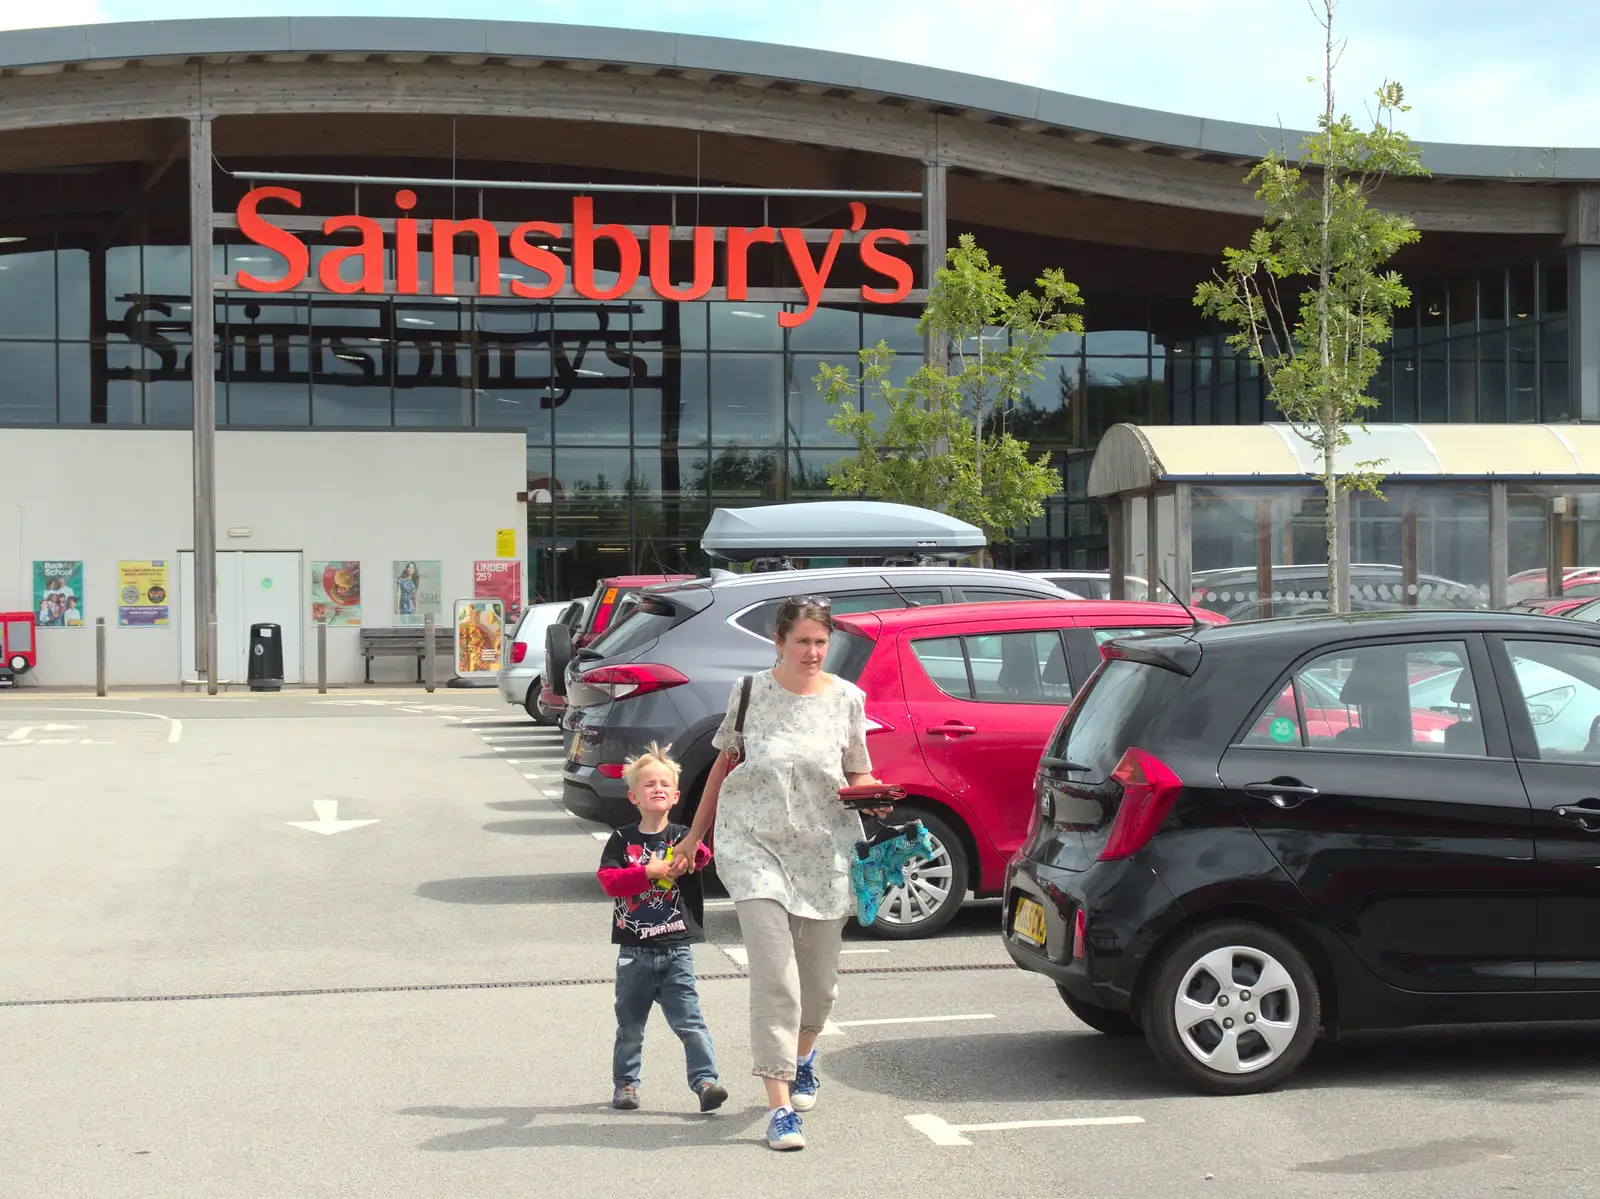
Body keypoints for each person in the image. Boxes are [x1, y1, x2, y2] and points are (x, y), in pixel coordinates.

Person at [674, 596, 889, 1152]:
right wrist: (695, 837)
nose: (813, 652)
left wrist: (878, 796)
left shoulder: (847, 699)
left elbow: (858, 771)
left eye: (821, 642)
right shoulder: (749, 693)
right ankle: (780, 1106)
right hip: (752, 847)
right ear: (779, 642)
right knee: (776, 977)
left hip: (824, 849)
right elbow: (724, 765)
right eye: (803, 642)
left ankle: (804, 1055)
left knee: (818, 987)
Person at [595, 743, 728, 1115]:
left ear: (675, 795)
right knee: (631, 1025)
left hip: (676, 949)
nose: (657, 789)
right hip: (634, 951)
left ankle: (706, 1081)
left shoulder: (682, 837)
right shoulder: (622, 840)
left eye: (663, 785)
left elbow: (700, 856)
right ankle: (626, 1084)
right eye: (648, 784)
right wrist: (647, 872)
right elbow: (608, 881)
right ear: (633, 796)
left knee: (689, 1021)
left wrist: (694, 851)